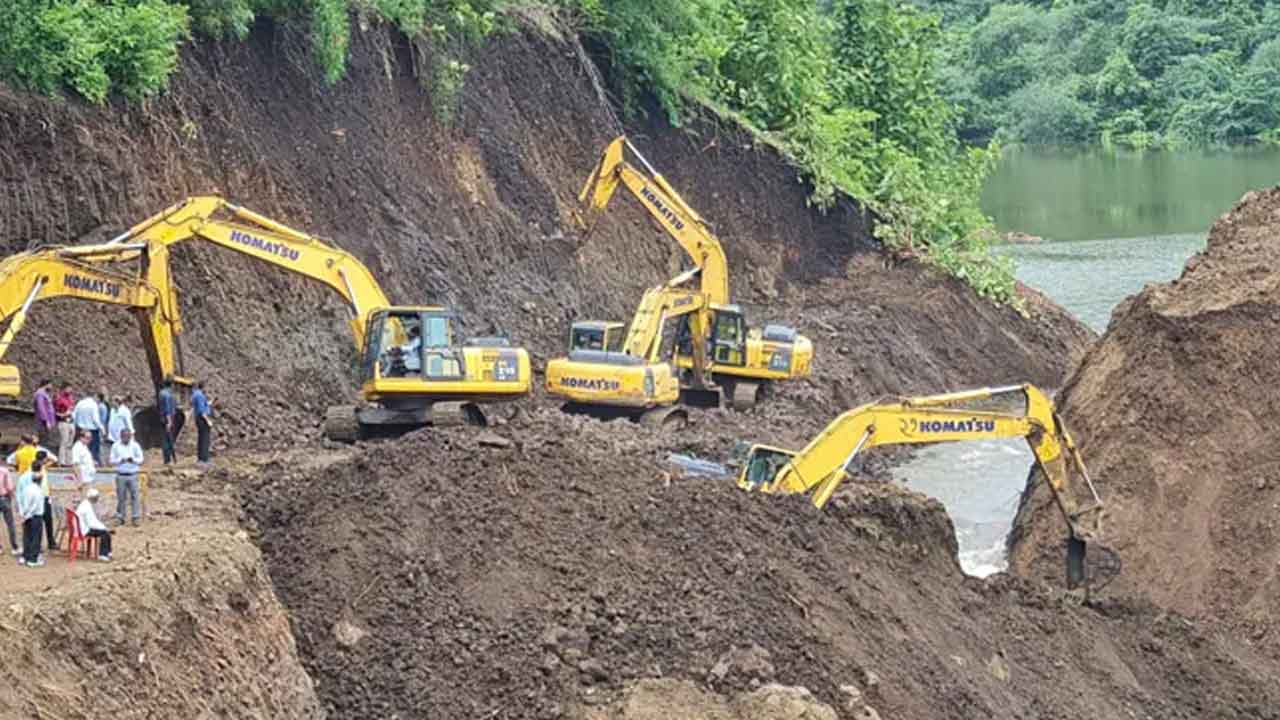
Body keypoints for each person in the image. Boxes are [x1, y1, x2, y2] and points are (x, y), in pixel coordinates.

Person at [110, 428, 143, 526]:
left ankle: (136, 517)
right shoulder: (115, 446)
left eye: (128, 437)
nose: (126, 439)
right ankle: (120, 517)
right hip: (121, 474)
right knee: (121, 497)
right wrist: (120, 460)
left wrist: (133, 460)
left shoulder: (135, 446)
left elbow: (141, 459)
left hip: (133, 474)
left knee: (135, 496)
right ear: (121, 436)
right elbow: (111, 460)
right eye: (124, 437)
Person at [16, 457, 46, 567]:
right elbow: (34, 505)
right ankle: (33, 558)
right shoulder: (38, 490)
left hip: (25, 512)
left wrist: (22, 513)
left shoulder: (25, 483)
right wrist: (28, 514)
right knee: (35, 537)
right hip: (34, 515)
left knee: (27, 536)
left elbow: (20, 497)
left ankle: (25, 556)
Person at [75, 488, 112, 561]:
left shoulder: (85, 504)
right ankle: (103, 554)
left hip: (81, 528)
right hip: (84, 530)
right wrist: (103, 527)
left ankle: (108, 552)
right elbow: (91, 523)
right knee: (104, 533)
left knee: (105, 532)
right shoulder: (87, 507)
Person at [73, 392, 104, 462]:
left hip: (81, 429)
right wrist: (102, 428)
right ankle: (93, 461)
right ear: (95, 397)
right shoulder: (93, 405)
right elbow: (95, 419)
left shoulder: (80, 403)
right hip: (92, 429)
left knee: (81, 446)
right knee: (93, 448)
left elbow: (74, 415)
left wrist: (76, 425)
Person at [192, 382, 213, 467]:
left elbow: (200, 406)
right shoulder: (200, 396)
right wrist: (208, 421)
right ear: (203, 387)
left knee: (201, 438)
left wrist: (208, 403)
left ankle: (201, 459)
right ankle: (204, 460)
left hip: (198, 418)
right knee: (205, 439)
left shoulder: (195, 394)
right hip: (202, 419)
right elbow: (201, 411)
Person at [158, 376, 178, 465]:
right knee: (168, 439)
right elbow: (167, 409)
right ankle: (168, 460)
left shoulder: (161, 393)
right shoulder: (168, 395)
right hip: (168, 418)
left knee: (166, 438)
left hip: (163, 418)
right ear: (171, 384)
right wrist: (169, 421)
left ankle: (167, 459)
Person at [54, 383, 75, 465]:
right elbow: (55, 412)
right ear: (64, 389)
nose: (70, 390)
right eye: (69, 388)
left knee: (70, 443)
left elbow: (72, 407)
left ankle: (69, 461)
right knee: (64, 441)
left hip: (71, 421)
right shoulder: (59, 399)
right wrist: (63, 414)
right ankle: (61, 461)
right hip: (63, 422)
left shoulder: (71, 398)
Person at [0, 456, 15, 557]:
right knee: (10, 523)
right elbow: (9, 487)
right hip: (4, 498)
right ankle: (14, 546)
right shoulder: (5, 471)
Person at [33, 380, 55, 448]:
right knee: (43, 441)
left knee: (45, 440)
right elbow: (41, 408)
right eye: (50, 385)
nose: (51, 387)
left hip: (45, 423)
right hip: (42, 423)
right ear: (46, 384)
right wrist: (46, 421)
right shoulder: (40, 394)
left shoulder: (44, 393)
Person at [96, 391, 110, 464]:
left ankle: (102, 461)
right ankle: (102, 461)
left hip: (100, 427)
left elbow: (100, 419)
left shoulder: (100, 406)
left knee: (100, 444)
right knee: (101, 444)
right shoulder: (104, 406)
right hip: (103, 426)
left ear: (99, 398)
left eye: (96, 397)